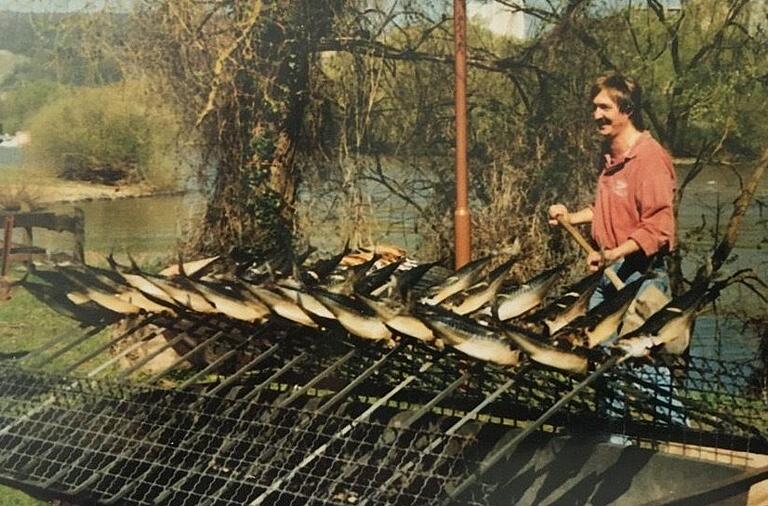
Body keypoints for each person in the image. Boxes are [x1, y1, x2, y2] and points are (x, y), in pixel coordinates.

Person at [548, 73, 676, 309]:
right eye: (594, 107)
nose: (596, 115)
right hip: (608, 270)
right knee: (591, 342)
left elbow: (659, 227)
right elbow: (608, 212)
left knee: (628, 346)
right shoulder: (609, 155)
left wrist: (615, 253)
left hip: (640, 275)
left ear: (627, 110)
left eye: (604, 108)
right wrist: (570, 218)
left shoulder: (650, 158)